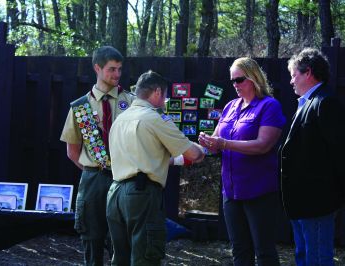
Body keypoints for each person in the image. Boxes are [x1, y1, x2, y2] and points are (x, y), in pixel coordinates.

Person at [106, 70, 205, 265]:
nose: (165, 100)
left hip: (115, 194)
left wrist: (174, 160)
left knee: (120, 258)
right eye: (166, 95)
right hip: (141, 194)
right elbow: (193, 154)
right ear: (158, 92)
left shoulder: (119, 120)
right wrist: (203, 149)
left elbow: (146, 157)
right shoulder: (155, 118)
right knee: (146, 257)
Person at [199, 57, 286, 265]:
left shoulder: (269, 106)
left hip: (259, 191)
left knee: (263, 251)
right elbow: (216, 140)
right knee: (239, 250)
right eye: (232, 81)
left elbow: (263, 145)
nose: (235, 85)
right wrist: (206, 142)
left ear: (254, 78)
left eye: (239, 80)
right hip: (231, 191)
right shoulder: (230, 106)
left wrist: (223, 144)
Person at [280, 48, 345, 266]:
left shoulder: (326, 103)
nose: (291, 81)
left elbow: (342, 152)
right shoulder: (308, 103)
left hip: (316, 201)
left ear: (308, 72)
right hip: (301, 200)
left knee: (316, 258)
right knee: (304, 255)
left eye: (293, 74)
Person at [60, 46, 135, 265]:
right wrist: (98, 170)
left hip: (124, 178)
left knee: (121, 241)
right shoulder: (80, 107)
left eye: (119, 69)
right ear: (97, 68)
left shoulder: (130, 102)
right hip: (93, 179)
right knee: (91, 239)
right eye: (111, 69)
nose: (117, 74)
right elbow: (72, 152)